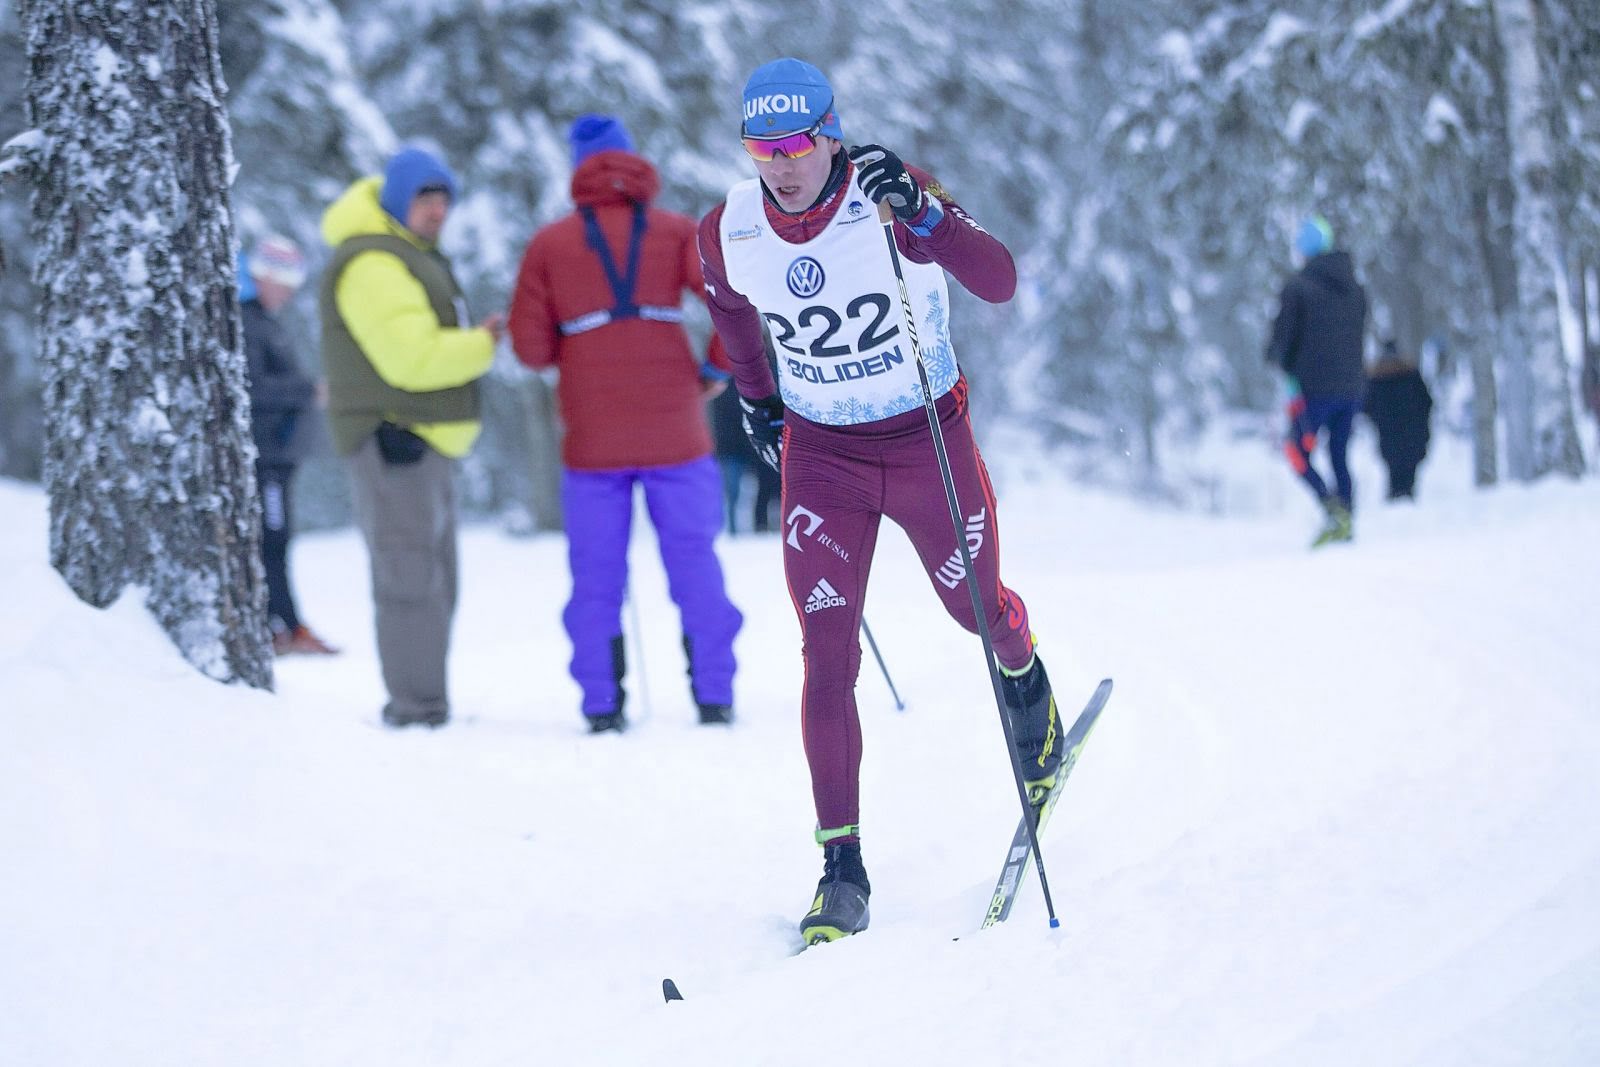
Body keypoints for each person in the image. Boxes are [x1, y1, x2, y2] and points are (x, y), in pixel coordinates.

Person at [697, 58, 1062, 945]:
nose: (780, 165)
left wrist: (928, 215)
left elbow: (1000, 279)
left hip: (924, 436)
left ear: (830, 136)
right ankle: (841, 869)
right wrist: (756, 398)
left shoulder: (889, 195)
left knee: (975, 608)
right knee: (827, 652)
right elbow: (733, 314)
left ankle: (1023, 672)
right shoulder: (728, 229)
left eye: (795, 145)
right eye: (761, 148)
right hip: (824, 455)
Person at [509, 115, 744, 733]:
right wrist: (717, 372)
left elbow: (530, 351)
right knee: (696, 562)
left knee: (595, 575)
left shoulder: (549, 244)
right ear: (632, 163)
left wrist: (581, 353)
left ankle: (602, 704)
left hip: (592, 440)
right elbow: (732, 307)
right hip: (678, 430)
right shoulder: (677, 231)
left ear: (578, 169)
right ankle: (713, 696)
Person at [319, 146, 505, 728]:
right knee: (409, 578)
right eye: (425, 198)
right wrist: (483, 344)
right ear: (399, 199)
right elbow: (410, 358)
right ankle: (416, 709)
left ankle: (424, 701)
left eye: (444, 199)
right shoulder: (374, 262)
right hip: (393, 440)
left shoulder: (408, 255)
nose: (437, 210)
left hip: (420, 443)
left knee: (431, 579)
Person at [239, 234, 338, 656]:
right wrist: (307, 390)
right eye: (279, 275)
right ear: (258, 273)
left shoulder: (265, 321)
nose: (287, 286)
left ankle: (281, 625)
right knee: (272, 541)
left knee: (275, 539)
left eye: (292, 276)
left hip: (279, 456)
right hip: (265, 457)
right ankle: (282, 628)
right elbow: (252, 387)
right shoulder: (248, 321)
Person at [1267, 214, 1369, 547]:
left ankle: (1333, 511)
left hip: (1312, 392)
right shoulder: (1356, 289)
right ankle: (1346, 517)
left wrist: (1278, 360)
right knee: (1339, 453)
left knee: (1297, 451)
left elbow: (1283, 339)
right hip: (1352, 388)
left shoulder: (1297, 288)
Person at [1364, 340, 1433, 500]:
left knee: (1394, 466)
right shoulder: (1410, 373)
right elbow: (1427, 401)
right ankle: (1405, 494)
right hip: (1412, 431)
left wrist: (1378, 419)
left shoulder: (1376, 377)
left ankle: (1396, 494)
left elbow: (1366, 406)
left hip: (1389, 433)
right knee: (1409, 466)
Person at [709, 381, 780, 534]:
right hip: (730, 449)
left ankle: (755, 526)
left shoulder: (745, 386)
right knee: (733, 492)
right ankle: (733, 530)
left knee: (760, 487)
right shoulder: (723, 387)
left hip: (744, 448)